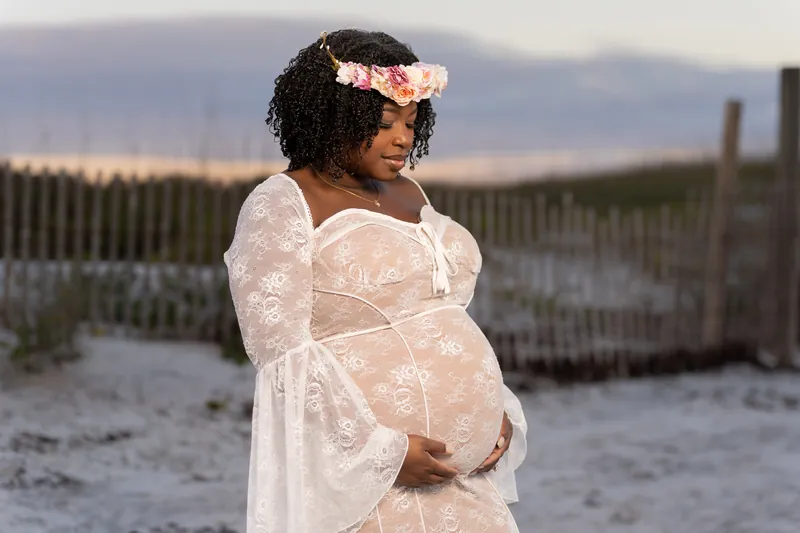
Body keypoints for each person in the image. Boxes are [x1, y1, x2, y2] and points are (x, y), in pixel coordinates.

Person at [224, 29, 528, 533]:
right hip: (368, 490)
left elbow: (438, 318)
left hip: (463, 488)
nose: (402, 138)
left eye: (411, 121)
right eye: (385, 123)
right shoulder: (283, 203)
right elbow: (281, 356)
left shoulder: (409, 192)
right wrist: (381, 452)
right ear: (333, 116)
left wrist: (495, 411)